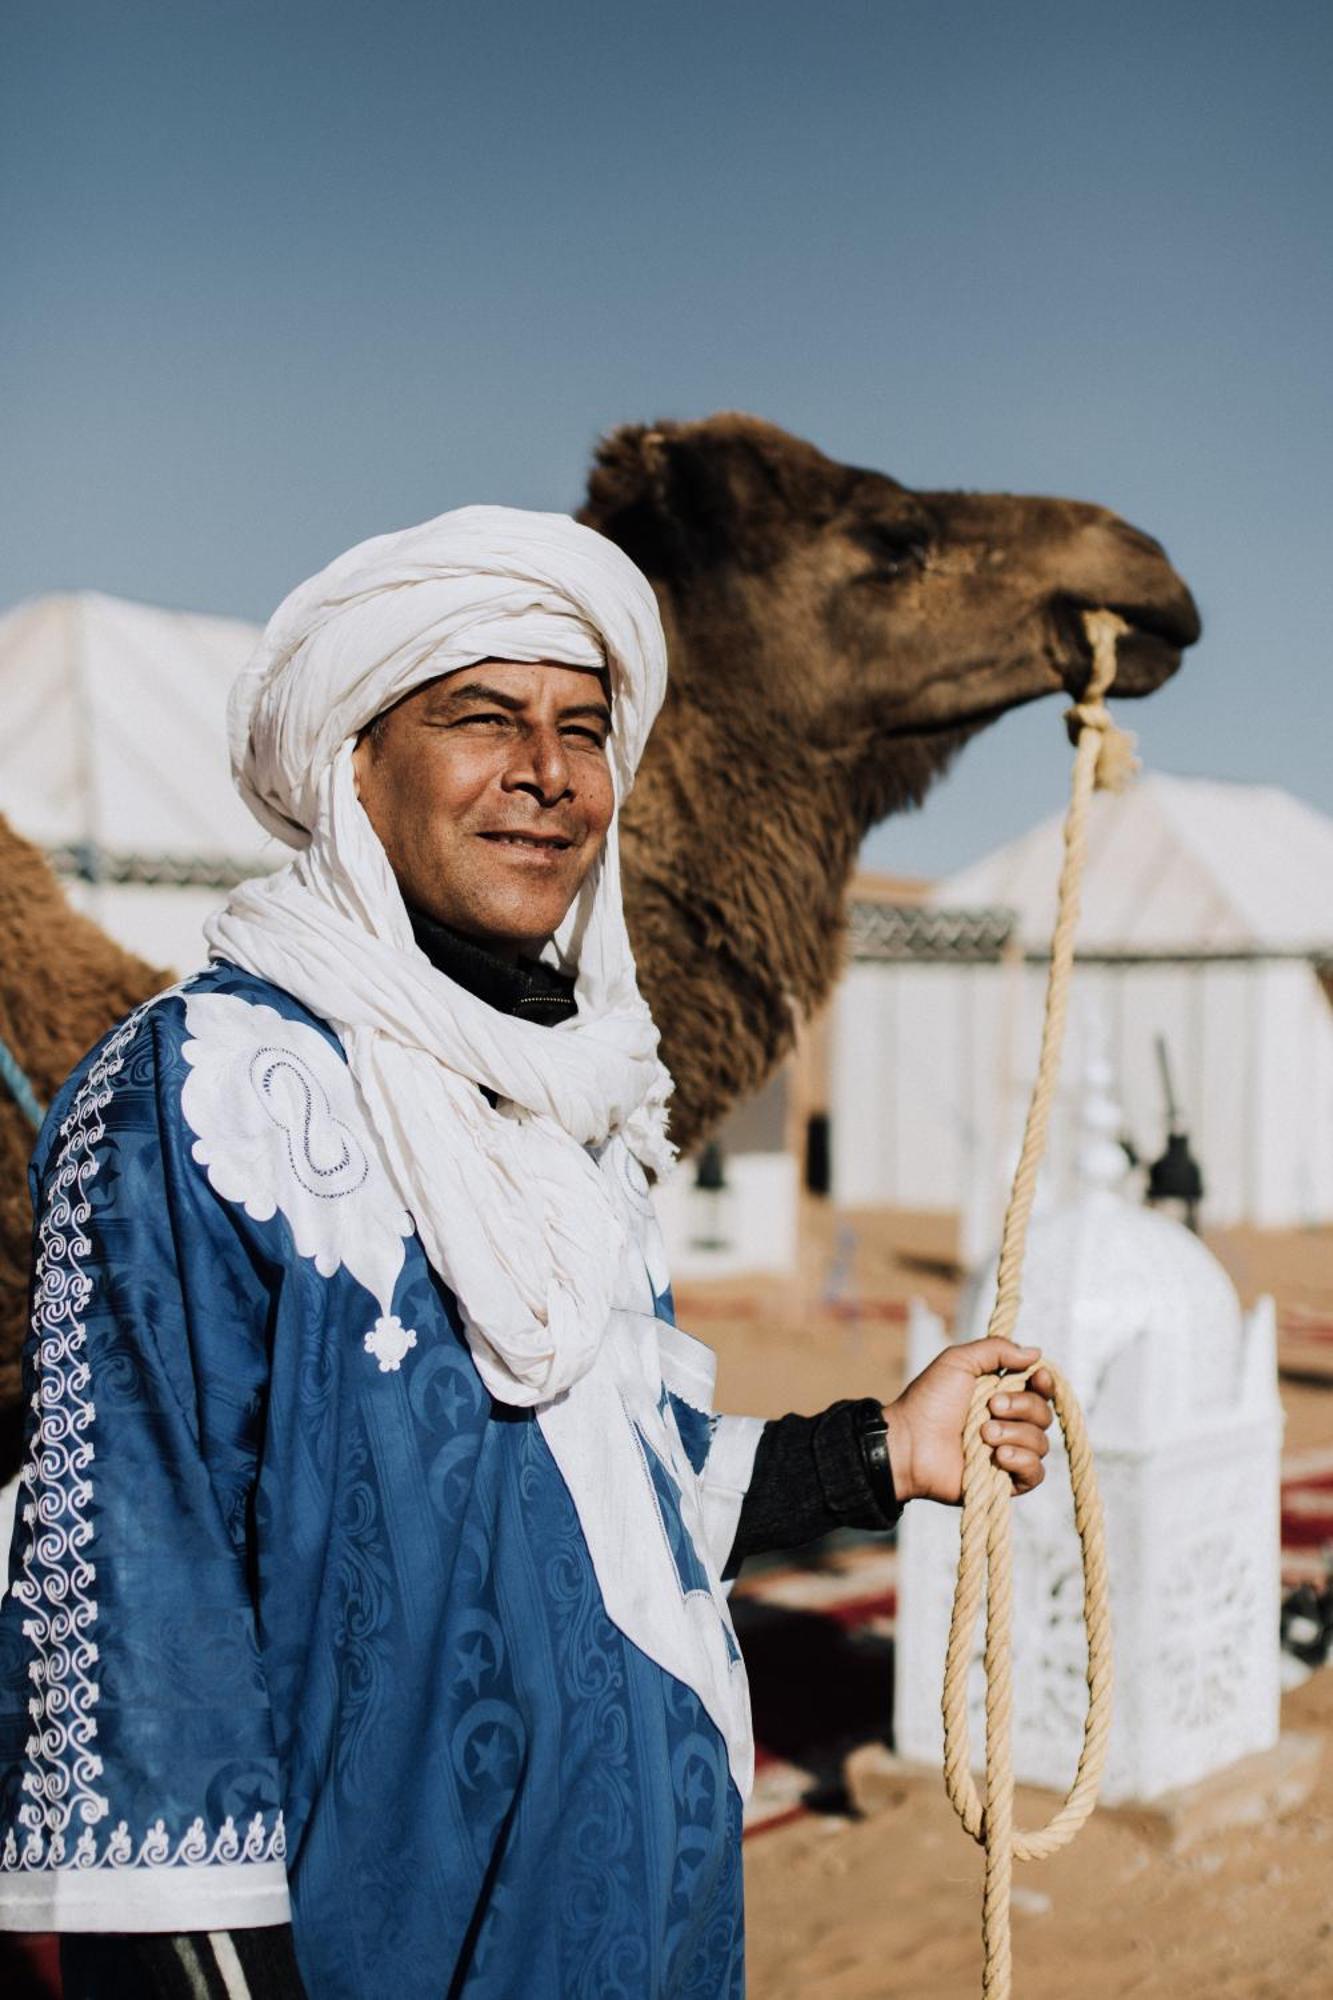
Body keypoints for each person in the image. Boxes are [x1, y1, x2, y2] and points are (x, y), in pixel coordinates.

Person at [0, 508, 1053, 1998]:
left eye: (581, 729)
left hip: (641, 1926)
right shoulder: (198, 1099)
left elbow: (600, 1494)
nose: (549, 776)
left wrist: (883, 1447)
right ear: (347, 763)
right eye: (480, 719)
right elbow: (134, 1640)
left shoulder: (574, 1107)